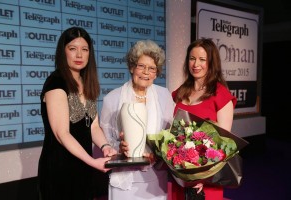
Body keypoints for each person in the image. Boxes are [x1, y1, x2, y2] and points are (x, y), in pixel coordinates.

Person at [37, 26, 117, 200]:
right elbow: (61, 133)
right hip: (59, 169)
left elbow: (93, 126)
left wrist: (105, 146)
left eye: (84, 49)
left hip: (84, 167)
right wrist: (92, 162)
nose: (79, 55)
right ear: (63, 52)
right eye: (73, 49)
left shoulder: (87, 82)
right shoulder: (55, 82)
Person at [100, 40, 174, 200]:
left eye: (152, 68)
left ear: (157, 73)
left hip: (155, 178)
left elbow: (171, 136)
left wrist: (159, 153)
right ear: (132, 67)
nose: (146, 72)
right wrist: (119, 148)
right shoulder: (112, 99)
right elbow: (105, 142)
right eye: (141, 66)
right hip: (124, 179)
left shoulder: (165, 96)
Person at [170, 38, 237, 200]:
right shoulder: (179, 93)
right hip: (180, 176)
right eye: (192, 59)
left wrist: (203, 177)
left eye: (202, 59)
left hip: (206, 182)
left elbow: (223, 144)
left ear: (211, 62)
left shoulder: (221, 95)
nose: (195, 64)